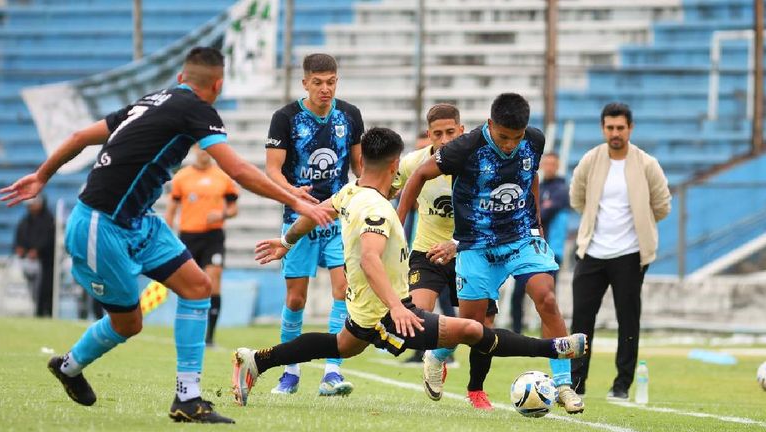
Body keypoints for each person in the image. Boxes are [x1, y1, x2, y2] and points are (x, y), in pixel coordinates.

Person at [0, 46, 332, 424]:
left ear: (180, 78)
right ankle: (69, 366)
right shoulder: (197, 110)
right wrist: (299, 202)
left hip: (139, 221)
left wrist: (42, 176)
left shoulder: (149, 101)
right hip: (99, 224)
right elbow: (237, 170)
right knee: (129, 323)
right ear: (218, 84)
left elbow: (79, 136)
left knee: (197, 287)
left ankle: (187, 399)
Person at [231, 127, 588, 407]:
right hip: (386, 313)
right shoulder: (377, 209)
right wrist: (398, 307)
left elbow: (313, 215)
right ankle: (556, 348)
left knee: (340, 345)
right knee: (470, 330)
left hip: (365, 307)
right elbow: (371, 259)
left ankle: (258, 361)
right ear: (394, 166)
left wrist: (286, 242)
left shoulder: (349, 193)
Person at [396, 93, 584, 413]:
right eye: (503, 137)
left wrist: (535, 222)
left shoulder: (534, 140)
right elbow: (419, 175)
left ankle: (564, 384)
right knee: (472, 327)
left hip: (519, 238)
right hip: (475, 245)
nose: (510, 144)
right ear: (490, 124)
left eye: (517, 137)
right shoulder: (464, 148)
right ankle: (437, 355)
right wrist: (398, 229)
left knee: (546, 297)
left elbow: (531, 175)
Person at [264, 53, 363, 396]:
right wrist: (293, 193)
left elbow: (359, 167)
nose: (325, 89)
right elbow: (272, 169)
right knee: (295, 299)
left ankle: (332, 372)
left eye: (331, 81)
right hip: (300, 218)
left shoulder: (349, 115)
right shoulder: (286, 118)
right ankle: (289, 373)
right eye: (318, 82)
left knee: (342, 290)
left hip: (338, 217)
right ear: (304, 83)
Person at [569, 102, 671, 400]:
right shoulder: (591, 160)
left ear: (630, 128)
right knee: (581, 321)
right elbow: (578, 198)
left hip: (630, 255)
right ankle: (577, 382)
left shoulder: (646, 163)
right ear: (603, 128)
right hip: (592, 253)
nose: (615, 133)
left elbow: (662, 204)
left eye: (620, 128)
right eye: (610, 127)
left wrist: (640, 225)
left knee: (628, 320)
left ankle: (622, 384)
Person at [392, 104, 471, 365]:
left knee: (479, 326)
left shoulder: (478, 164)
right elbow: (383, 189)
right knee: (417, 318)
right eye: (438, 134)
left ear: (462, 130)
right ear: (429, 134)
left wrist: (457, 244)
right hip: (427, 250)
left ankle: (440, 356)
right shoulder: (413, 163)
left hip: (470, 250)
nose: (445, 140)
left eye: (451, 132)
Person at [165, 145, 239, 347]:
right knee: (189, 286)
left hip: (213, 237)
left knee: (214, 280)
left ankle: (210, 337)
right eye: (200, 147)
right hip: (188, 237)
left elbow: (234, 208)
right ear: (194, 149)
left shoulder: (222, 177)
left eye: (207, 148)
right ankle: (188, 333)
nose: (203, 151)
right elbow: (172, 209)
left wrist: (222, 214)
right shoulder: (182, 177)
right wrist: (167, 235)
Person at [509, 152, 569, 334]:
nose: (549, 167)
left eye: (553, 164)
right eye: (546, 164)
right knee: (517, 295)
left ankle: (549, 337)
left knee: (548, 298)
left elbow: (541, 214)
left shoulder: (561, 190)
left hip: (551, 252)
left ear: (557, 166)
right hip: (530, 251)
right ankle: (517, 333)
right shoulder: (538, 187)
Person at [13, 194, 56, 317]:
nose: (31, 207)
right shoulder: (25, 221)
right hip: (27, 260)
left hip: (45, 263)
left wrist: (37, 250)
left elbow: (47, 239)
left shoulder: (48, 220)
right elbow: (19, 237)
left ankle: (43, 312)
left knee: (45, 290)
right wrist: (20, 247)